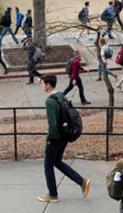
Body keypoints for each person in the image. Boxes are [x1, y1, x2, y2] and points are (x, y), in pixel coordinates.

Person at [37, 74, 91, 203]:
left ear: (48, 85)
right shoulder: (61, 95)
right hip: (65, 135)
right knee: (57, 162)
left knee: (48, 165)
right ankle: (81, 182)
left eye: (42, 83)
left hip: (55, 138)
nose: (41, 85)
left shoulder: (49, 101)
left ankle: (52, 194)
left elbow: (52, 124)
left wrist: (48, 138)